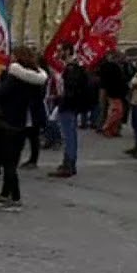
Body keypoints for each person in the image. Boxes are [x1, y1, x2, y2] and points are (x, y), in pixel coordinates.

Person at [0, 46, 48, 212]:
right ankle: (5, 194)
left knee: (9, 162)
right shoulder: (39, 78)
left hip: (11, 121)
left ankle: (15, 198)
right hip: (27, 122)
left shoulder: (14, 77)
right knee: (12, 160)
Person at [50, 44, 94, 178]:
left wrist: (61, 96)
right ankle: (68, 162)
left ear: (67, 51)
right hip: (70, 104)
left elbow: (70, 89)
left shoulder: (72, 69)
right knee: (69, 134)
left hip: (68, 105)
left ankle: (69, 164)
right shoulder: (74, 67)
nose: (58, 53)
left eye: (60, 50)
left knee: (69, 135)